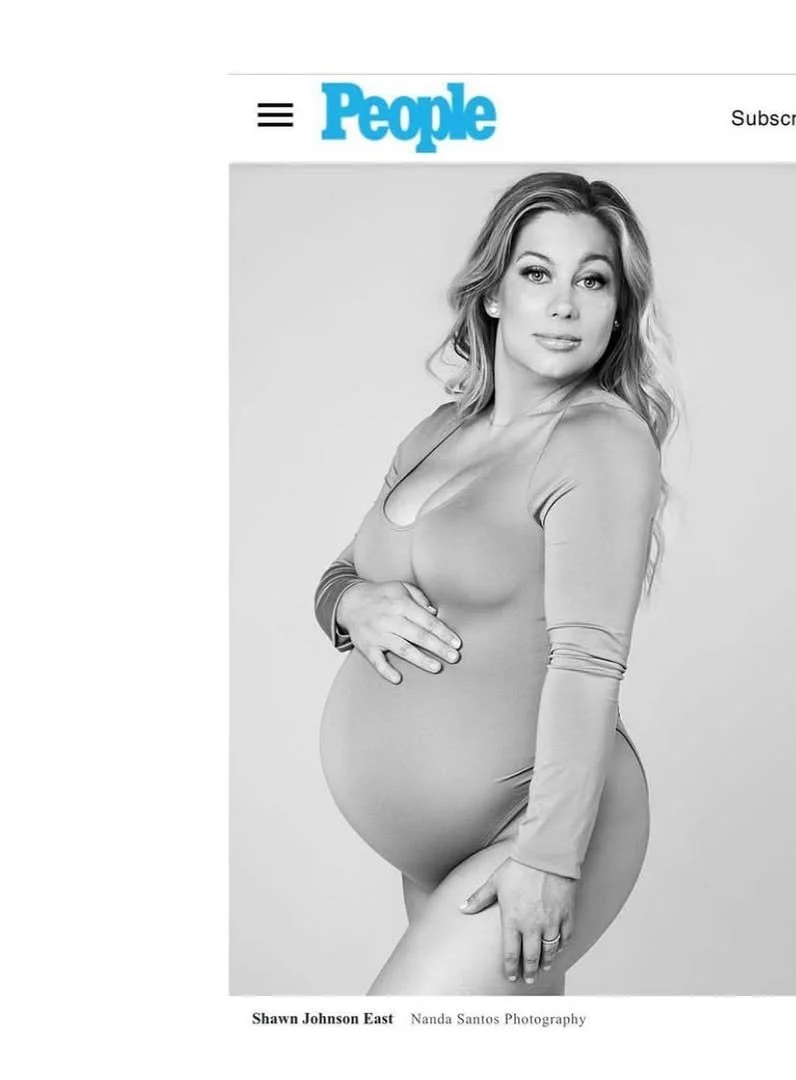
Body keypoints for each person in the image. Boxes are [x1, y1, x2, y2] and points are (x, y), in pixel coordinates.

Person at [313, 171, 678, 995]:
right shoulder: (441, 430)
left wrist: (548, 859)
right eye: (538, 273)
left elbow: (590, 663)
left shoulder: (597, 440)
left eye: (594, 280)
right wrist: (349, 605)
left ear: (619, 309)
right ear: (493, 295)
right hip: (439, 842)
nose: (565, 303)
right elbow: (343, 572)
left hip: (540, 830)